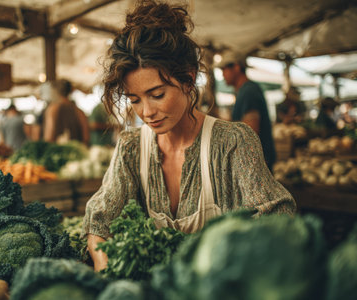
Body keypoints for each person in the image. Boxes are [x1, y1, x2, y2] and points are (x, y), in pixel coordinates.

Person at [81, 0, 296, 272]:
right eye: (135, 99)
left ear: (188, 80)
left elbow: (278, 217)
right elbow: (99, 223)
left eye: (157, 95)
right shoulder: (131, 148)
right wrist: (106, 271)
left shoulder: (232, 141)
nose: (147, 112)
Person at [217, 52, 276, 171]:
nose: (223, 74)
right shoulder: (244, 91)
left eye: (224, 69)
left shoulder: (248, 91)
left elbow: (250, 131)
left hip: (257, 163)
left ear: (237, 67)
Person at [43, 80, 90, 145]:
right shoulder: (79, 111)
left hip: (57, 151)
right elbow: (86, 138)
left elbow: (49, 136)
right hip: (77, 151)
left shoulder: (52, 109)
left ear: (56, 92)